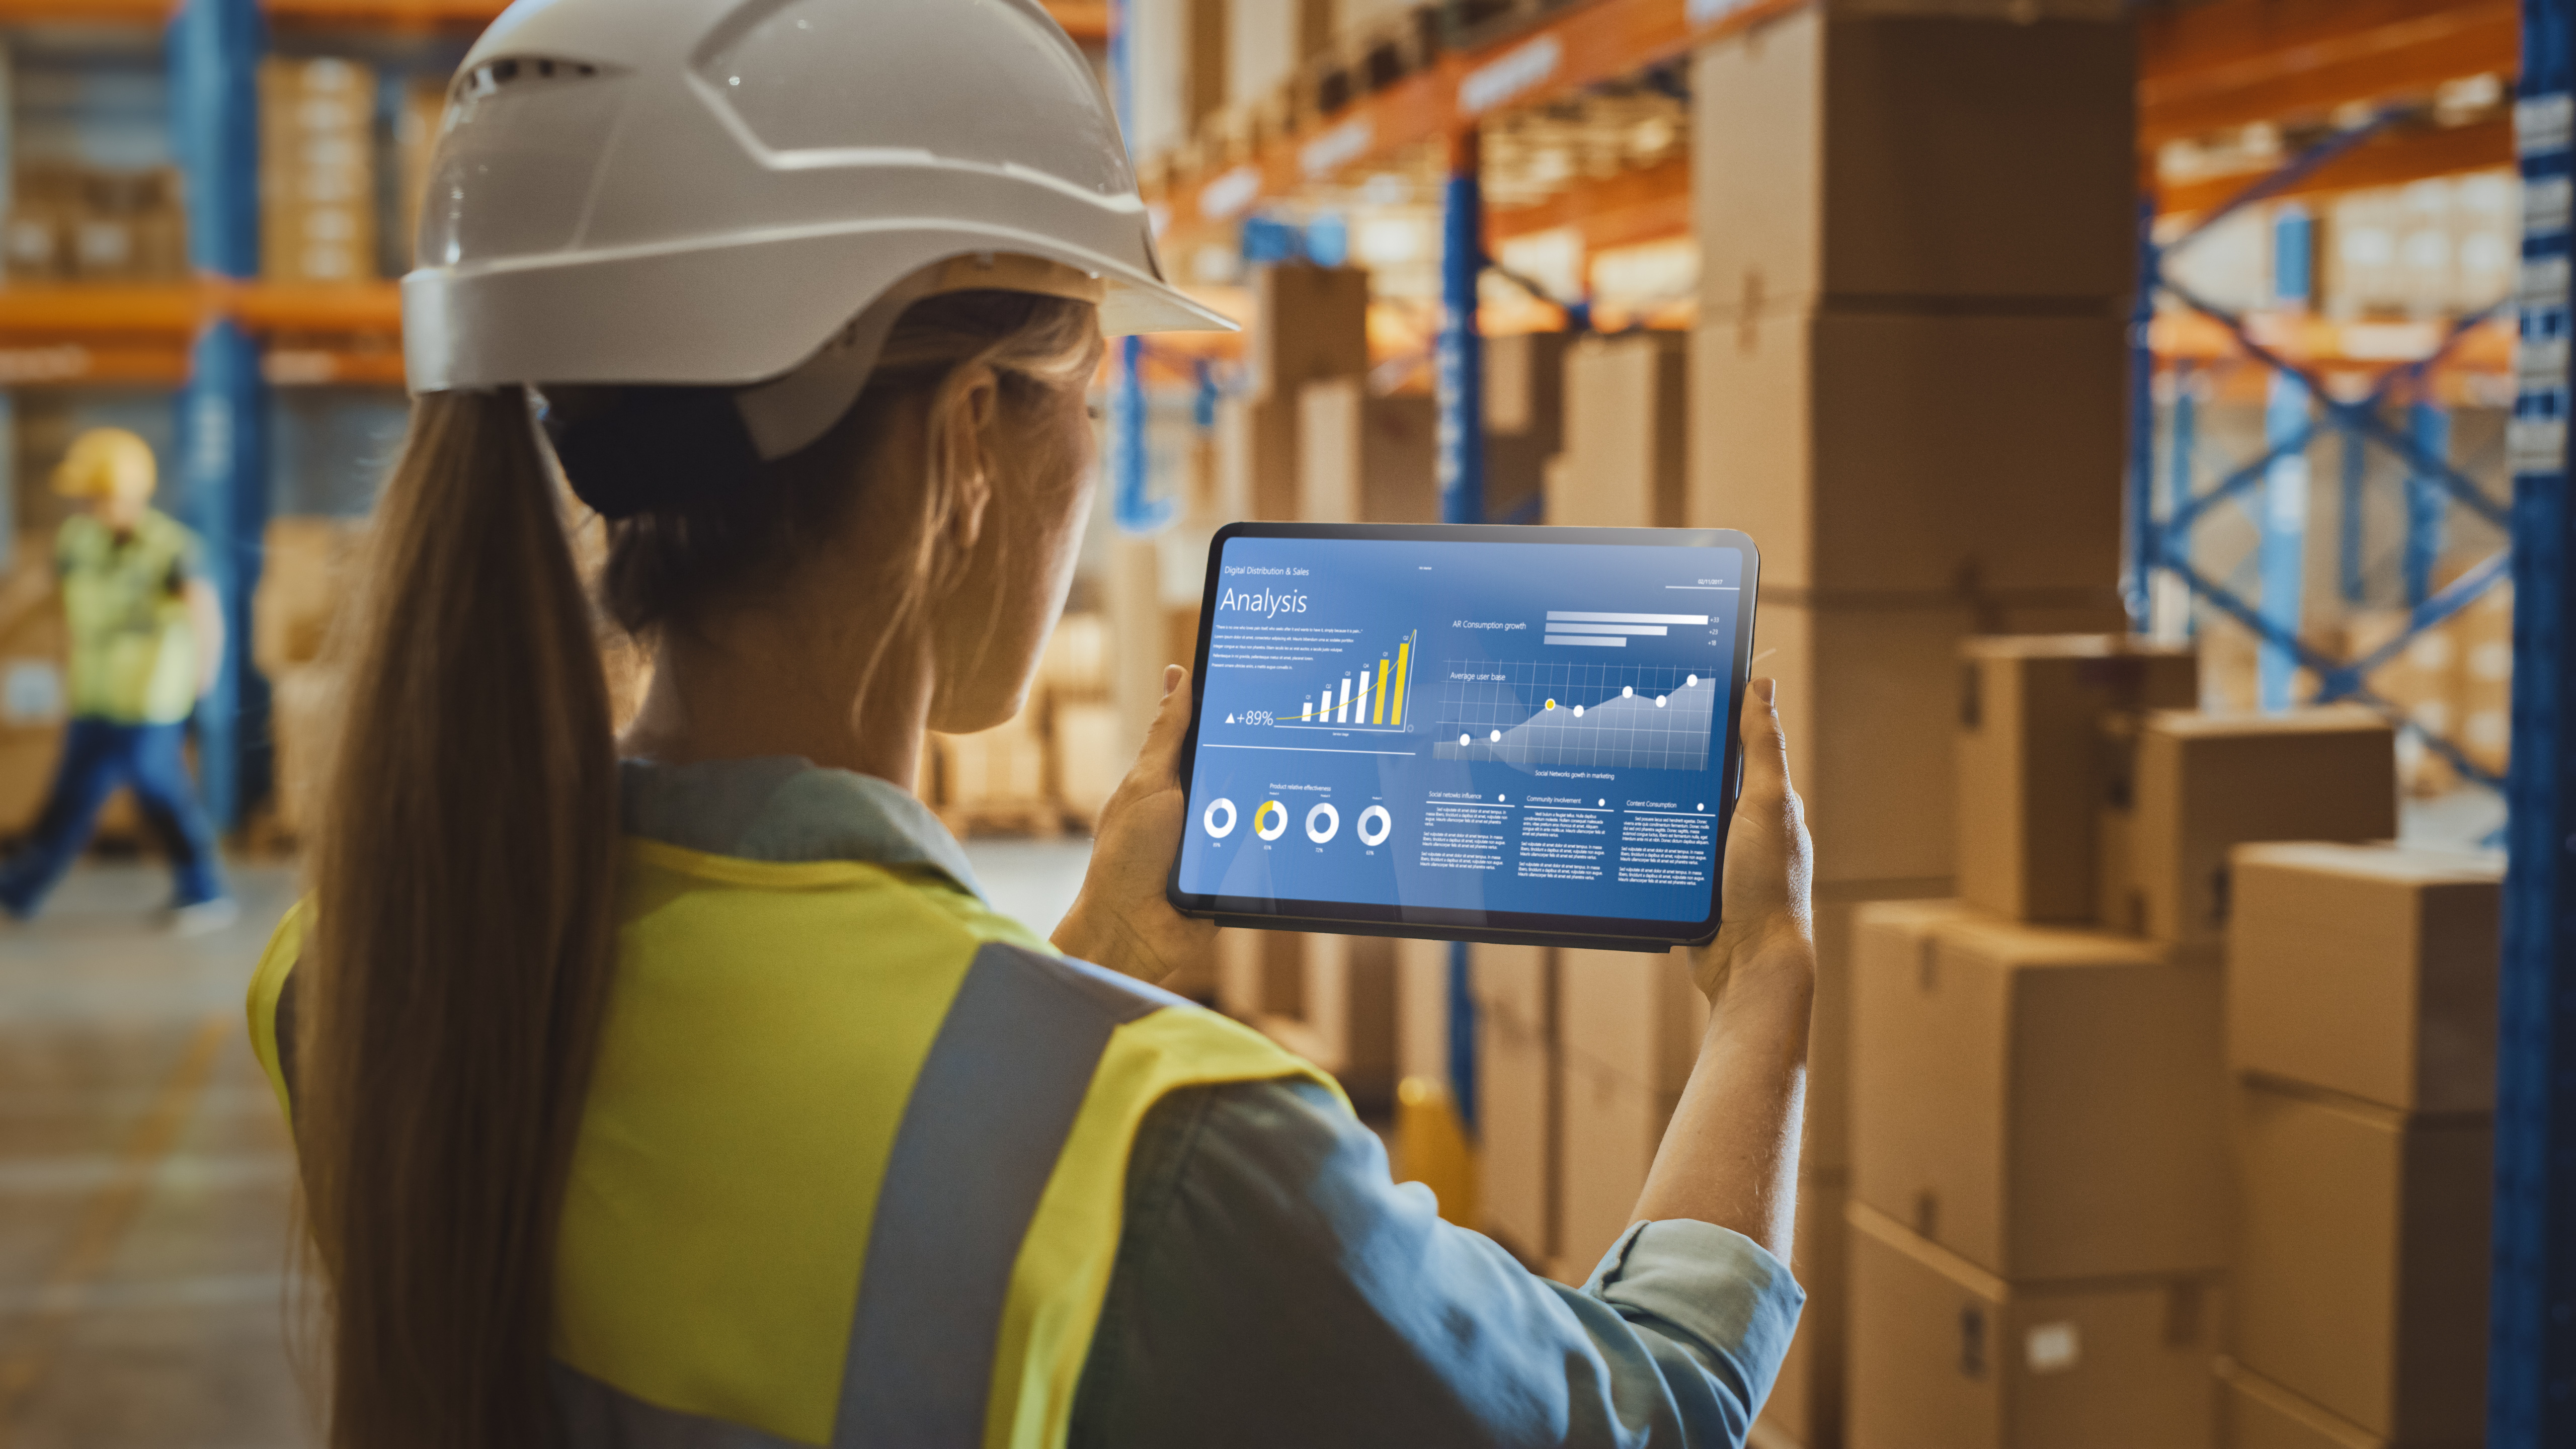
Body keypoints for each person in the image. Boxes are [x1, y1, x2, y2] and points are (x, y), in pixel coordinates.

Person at [244, 1, 1818, 1445]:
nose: (1093, 443)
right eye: (1092, 388)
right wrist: (1758, 1006)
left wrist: (1087, 968)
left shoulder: (364, 972)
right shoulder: (1174, 1158)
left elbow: (825, 1200)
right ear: (960, 448)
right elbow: (1645, 1415)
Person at [0, 427, 232, 930]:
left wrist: (204, 680)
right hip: (95, 697)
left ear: (125, 491)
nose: (85, 505)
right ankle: (20, 891)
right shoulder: (78, 542)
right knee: (71, 795)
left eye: (94, 495)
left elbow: (205, 614)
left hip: (151, 702)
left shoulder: (169, 548)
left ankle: (205, 892)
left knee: (157, 789)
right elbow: (39, 595)